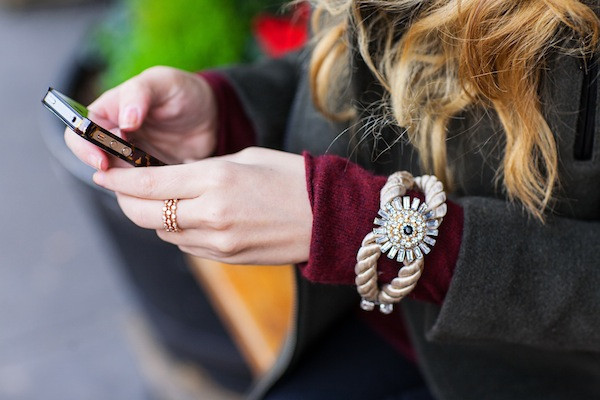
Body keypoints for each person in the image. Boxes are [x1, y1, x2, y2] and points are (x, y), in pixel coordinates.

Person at [65, 1, 600, 399]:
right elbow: (379, 57)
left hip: (540, 371)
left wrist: (361, 224)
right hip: (378, 325)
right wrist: (226, 110)